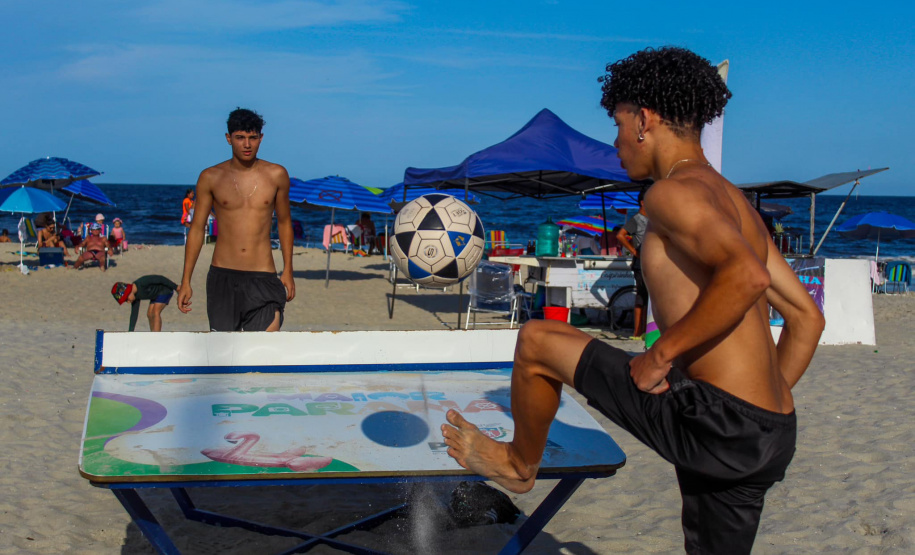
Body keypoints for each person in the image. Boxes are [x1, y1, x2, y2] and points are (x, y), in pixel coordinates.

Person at [440, 46, 825, 555]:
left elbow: (746, 277)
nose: (616, 142)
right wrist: (756, 415)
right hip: (769, 431)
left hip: (721, 422)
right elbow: (807, 318)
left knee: (537, 341)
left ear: (644, 121)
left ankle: (517, 465)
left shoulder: (670, 193)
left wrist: (660, 355)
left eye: (618, 124)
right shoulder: (735, 202)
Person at [177, 107, 295, 331]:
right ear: (228, 138)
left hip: (263, 276)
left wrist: (288, 269)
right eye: (240, 138)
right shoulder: (211, 177)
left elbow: (284, 222)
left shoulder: (276, 175)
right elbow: (197, 229)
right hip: (223, 276)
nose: (247, 144)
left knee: (263, 347)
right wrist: (186, 280)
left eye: (253, 138)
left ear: (261, 138)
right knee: (225, 349)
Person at [616, 190, 649, 339]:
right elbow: (620, 235)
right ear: (642, 202)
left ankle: (647, 331)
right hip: (640, 263)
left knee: (648, 298)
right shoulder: (636, 219)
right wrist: (634, 251)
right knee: (641, 297)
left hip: (650, 263)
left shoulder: (653, 219)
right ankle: (637, 332)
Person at [112, 276, 180, 331]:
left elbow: (160, 279)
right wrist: (130, 332)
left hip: (165, 290)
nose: (128, 302)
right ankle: (153, 333)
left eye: (126, 299)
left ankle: (157, 336)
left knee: (155, 312)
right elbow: (134, 314)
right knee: (149, 314)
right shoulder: (136, 297)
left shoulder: (142, 283)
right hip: (155, 296)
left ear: (128, 291)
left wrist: (175, 287)